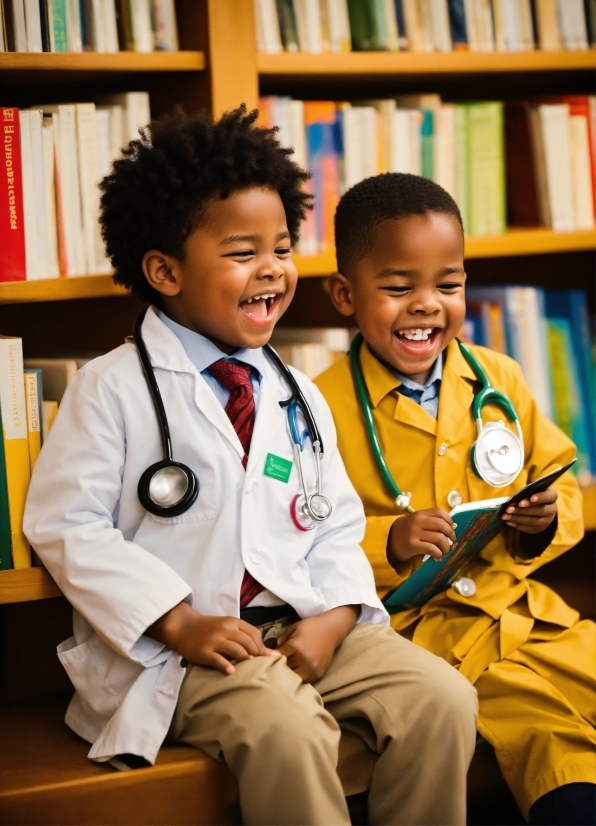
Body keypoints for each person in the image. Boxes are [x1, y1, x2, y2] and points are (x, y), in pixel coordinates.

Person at [24, 111, 478, 826]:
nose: (272, 268)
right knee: (286, 726)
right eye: (242, 252)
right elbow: (66, 526)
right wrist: (176, 622)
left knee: (441, 699)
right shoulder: (110, 388)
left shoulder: (294, 390)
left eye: (282, 247)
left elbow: (335, 525)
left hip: (298, 625)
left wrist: (331, 621)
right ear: (165, 271)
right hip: (184, 655)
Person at [314, 172, 596, 826]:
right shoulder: (315, 406)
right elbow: (298, 537)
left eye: (448, 284)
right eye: (397, 287)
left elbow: (559, 478)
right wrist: (390, 539)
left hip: (527, 615)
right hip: (429, 638)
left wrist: (543, 517)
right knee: (549, 735)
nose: (426, 305)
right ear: (343, 295)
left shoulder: (497, 377)